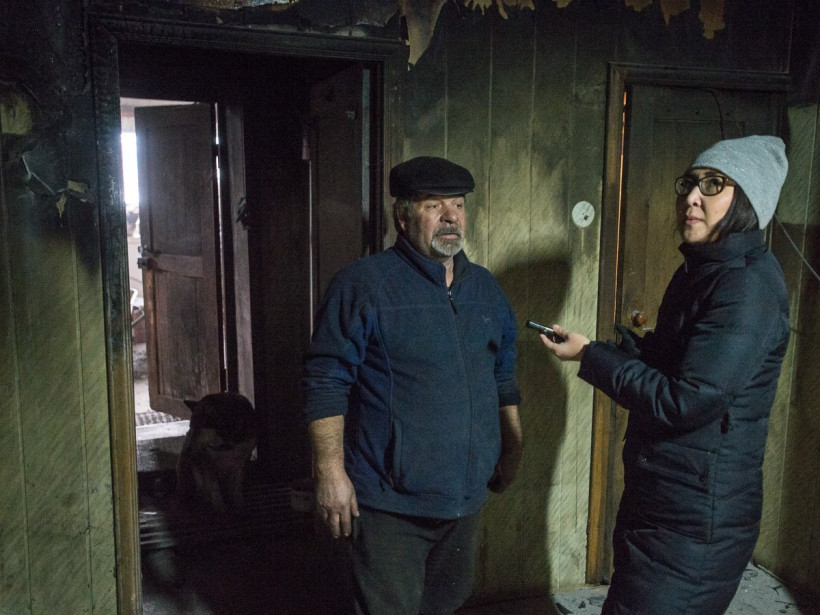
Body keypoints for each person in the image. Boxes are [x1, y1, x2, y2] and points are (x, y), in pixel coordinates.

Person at [540, 135, 790, 615]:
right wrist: (632, 350)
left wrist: (591, 357)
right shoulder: (703, 269)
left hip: (697, 518)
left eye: (713, 184)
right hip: (670, 497)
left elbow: (688, 399)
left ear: (748, 200)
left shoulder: (746, 287)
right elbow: (689, 362)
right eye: (689, 183)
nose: (691, 197)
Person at [302, 156, 523, 615]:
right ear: (401, 216)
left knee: (446, 605)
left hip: (463, 501)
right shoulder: (363, 285)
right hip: (389, 506)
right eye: (433, 206)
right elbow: (325, 381)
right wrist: (330, 474)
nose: (450, 217)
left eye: (458, 205)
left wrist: (512, 446)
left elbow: (502, 374)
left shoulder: (484, 289)